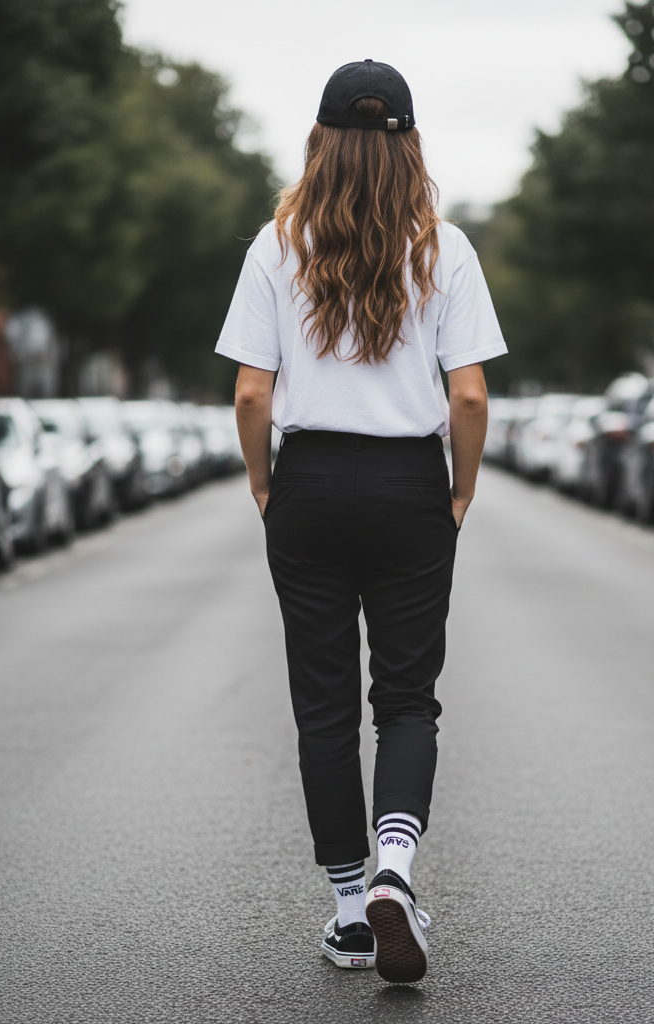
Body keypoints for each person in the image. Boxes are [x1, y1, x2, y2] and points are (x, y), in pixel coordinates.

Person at [216, 59, 506, 984]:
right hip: (407, 484)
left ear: (320, 140)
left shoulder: (277, 244)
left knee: (324, 703)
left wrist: (266, 488)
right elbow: (467, 394)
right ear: (409, 141)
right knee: (408, 696)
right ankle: (395, 868)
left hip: (308, 483)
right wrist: (457, 492)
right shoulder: (444, 246)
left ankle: (349, 911)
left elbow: (252, 394)